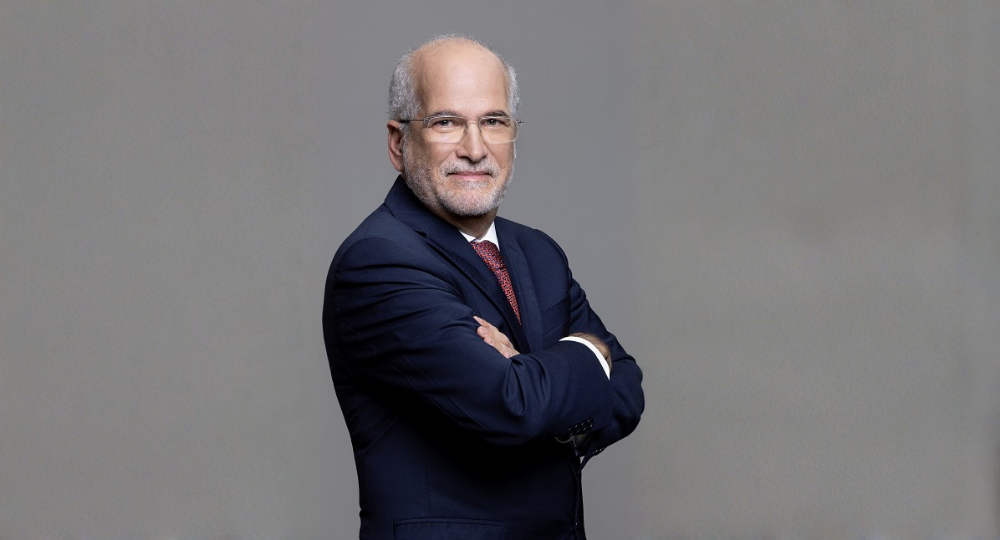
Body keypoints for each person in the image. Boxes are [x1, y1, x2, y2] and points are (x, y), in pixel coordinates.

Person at [322, 35, 644, 540]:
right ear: (398, 143)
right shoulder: (378, 260)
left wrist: (532, 376)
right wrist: (588, 355)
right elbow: (511, 404)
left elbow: (626, 388)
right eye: (446, 122)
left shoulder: (539, 253)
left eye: (493, 121)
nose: (474, 149)